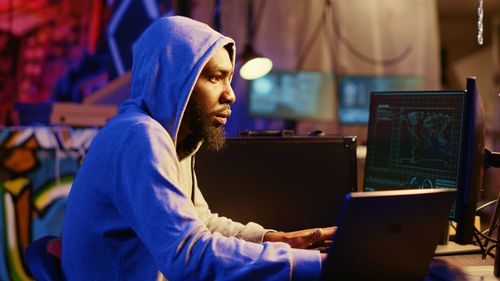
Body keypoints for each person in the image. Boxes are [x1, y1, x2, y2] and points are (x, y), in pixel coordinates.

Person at [61, 16, 334, 280]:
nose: (231, 94)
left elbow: (202, 223)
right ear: (175, 80)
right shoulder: (140, 137)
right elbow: (189, 255)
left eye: (229, 79)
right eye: (216, 77)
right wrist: (322, 266)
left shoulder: (166, 139)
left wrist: (273, 239)